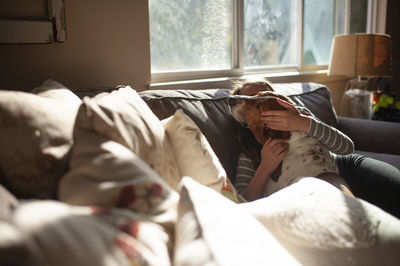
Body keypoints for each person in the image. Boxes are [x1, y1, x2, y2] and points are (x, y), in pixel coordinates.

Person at [232, 78, 400, 218]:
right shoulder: (249, 150)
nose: (262, 99)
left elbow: (346, 147)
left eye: (267, 94)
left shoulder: (298, 113)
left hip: (343, 166)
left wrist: (304, 122)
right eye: (251, 100)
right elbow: (241, 202)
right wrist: (265, 168)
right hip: (311, 190)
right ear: (243, 117)